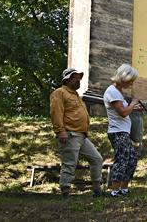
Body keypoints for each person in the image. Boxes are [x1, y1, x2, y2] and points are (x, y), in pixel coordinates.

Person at [50, 67, 104, 197]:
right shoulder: (59, 92)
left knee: (97, 159)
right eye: (75, 78)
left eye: (79, 78)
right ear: (67, 80)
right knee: (69, 163)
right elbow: (56, 113)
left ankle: (97, 190)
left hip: (82, 136)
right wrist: (61, 131)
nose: (78, 81)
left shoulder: (77, 96)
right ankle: (65, 191)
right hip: (70, 134)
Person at [103, 64, 143, 196]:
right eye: (130, 80)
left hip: (123, 131)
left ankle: (123, 189)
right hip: (117, 132)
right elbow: (122, 112)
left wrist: (135, 108)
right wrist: (132, 104)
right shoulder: (112, 92)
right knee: (122, 160)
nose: (131, 84)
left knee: (131, 159)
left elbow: (125, 110)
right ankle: (115, 191)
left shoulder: (118, 92)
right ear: (123, 78)